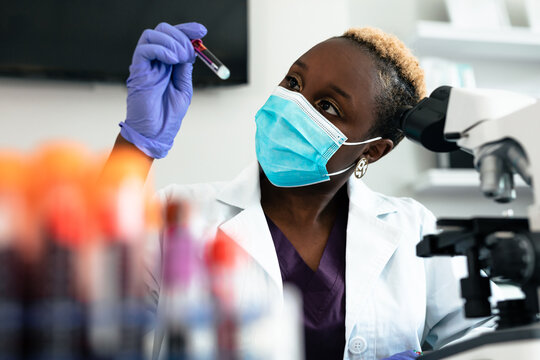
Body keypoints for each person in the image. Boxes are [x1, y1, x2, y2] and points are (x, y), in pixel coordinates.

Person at [108, 22, 491, 360]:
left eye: (328, 106)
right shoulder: (180, 214)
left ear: (372, 150)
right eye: (293, 83)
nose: (294, 105)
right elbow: (85, 299)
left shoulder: (414, 230)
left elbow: (485, 341)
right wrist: (137, 146)